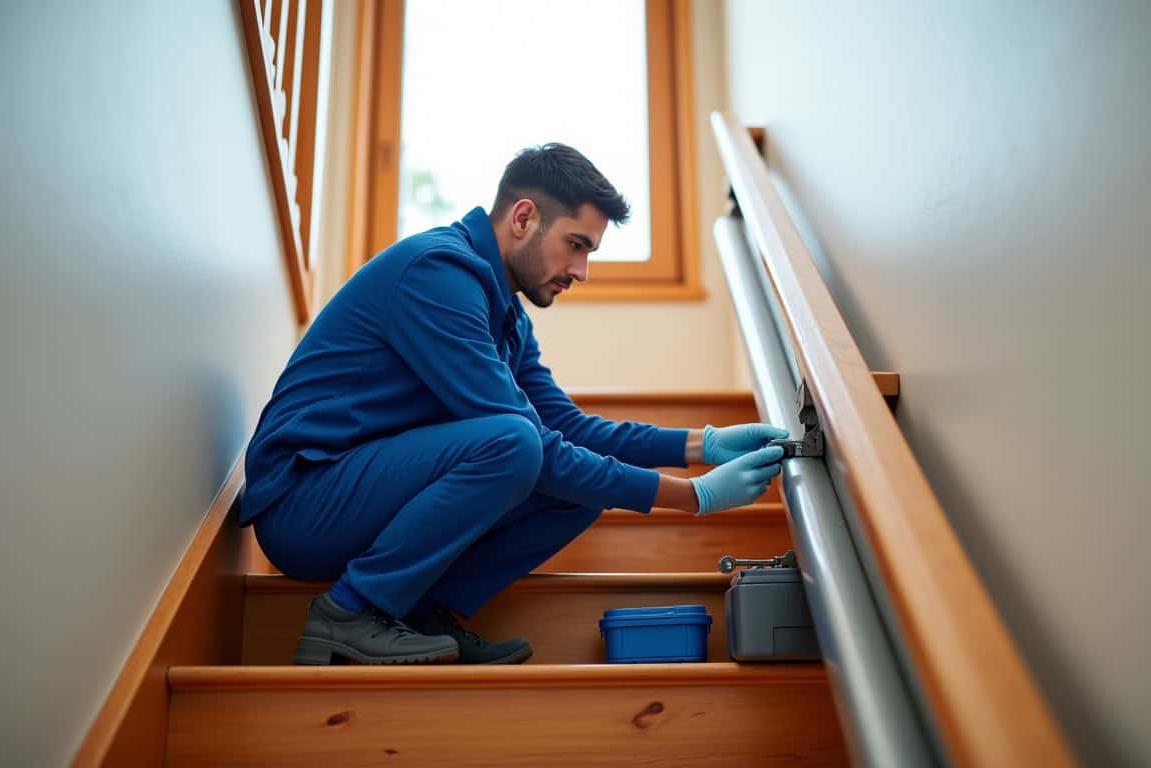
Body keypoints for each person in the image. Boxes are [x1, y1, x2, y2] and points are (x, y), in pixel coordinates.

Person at [241, 143, 788, 666]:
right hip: (306, 505)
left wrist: (704, 443)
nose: (582, 272)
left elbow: (568, 430)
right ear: (524, 218)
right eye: (576, 245)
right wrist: (692, 497)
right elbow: (534, 449)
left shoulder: (505, 314)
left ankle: (422, 616)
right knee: (516, 444)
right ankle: (352, 610)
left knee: (577, 492)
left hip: (361, 499)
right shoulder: (437, 275)